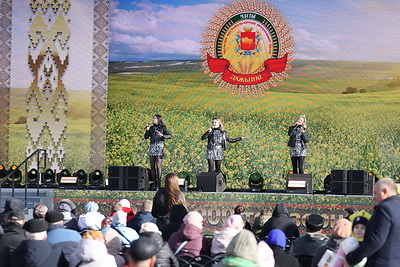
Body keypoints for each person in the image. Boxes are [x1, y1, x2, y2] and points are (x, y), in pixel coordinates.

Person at [346, 178, 400, 266]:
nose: (373, 197)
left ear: (385, 192)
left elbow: (376, 240)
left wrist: (352, 258)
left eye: (375, 193)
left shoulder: (384, 209)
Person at [144, 114, 171, 190]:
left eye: (155, 118)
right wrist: (147, 129)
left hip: (159, 146)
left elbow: (169, 136)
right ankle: (154, 182)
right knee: (152, 165)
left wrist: (162, 135)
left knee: (158, 164)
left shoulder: (162, 128)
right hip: (152, 146)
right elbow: (146, 137)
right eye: (153, 118)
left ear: (159, 119)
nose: (153, 119)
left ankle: (159, 182)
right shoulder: (151, 128)